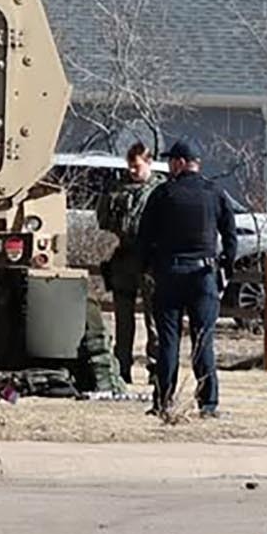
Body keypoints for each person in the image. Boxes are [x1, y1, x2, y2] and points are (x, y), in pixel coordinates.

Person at [138, 139, 237, 418]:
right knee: (203, 340)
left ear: (181, 163)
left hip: (169, 273)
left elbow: (144, 236)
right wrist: (226, 269)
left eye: (171, 161)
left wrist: (147, 267)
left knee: (168, 342)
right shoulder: (215, 193)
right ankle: (208, 403)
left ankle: (162, 401)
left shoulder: (164, 193)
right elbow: (230, 236)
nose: (169, 166)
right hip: (203, 274)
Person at [96, 142, 163, 385]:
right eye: (130, 167)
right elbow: (103, 219)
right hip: (125, 256)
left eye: (137, 167)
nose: (133, 172)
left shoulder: (161, 190)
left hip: (151, 259)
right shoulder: (118, 189)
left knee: (154, 318)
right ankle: (122, 367)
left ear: (149, 163)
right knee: (123, 319)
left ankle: (156, 369)